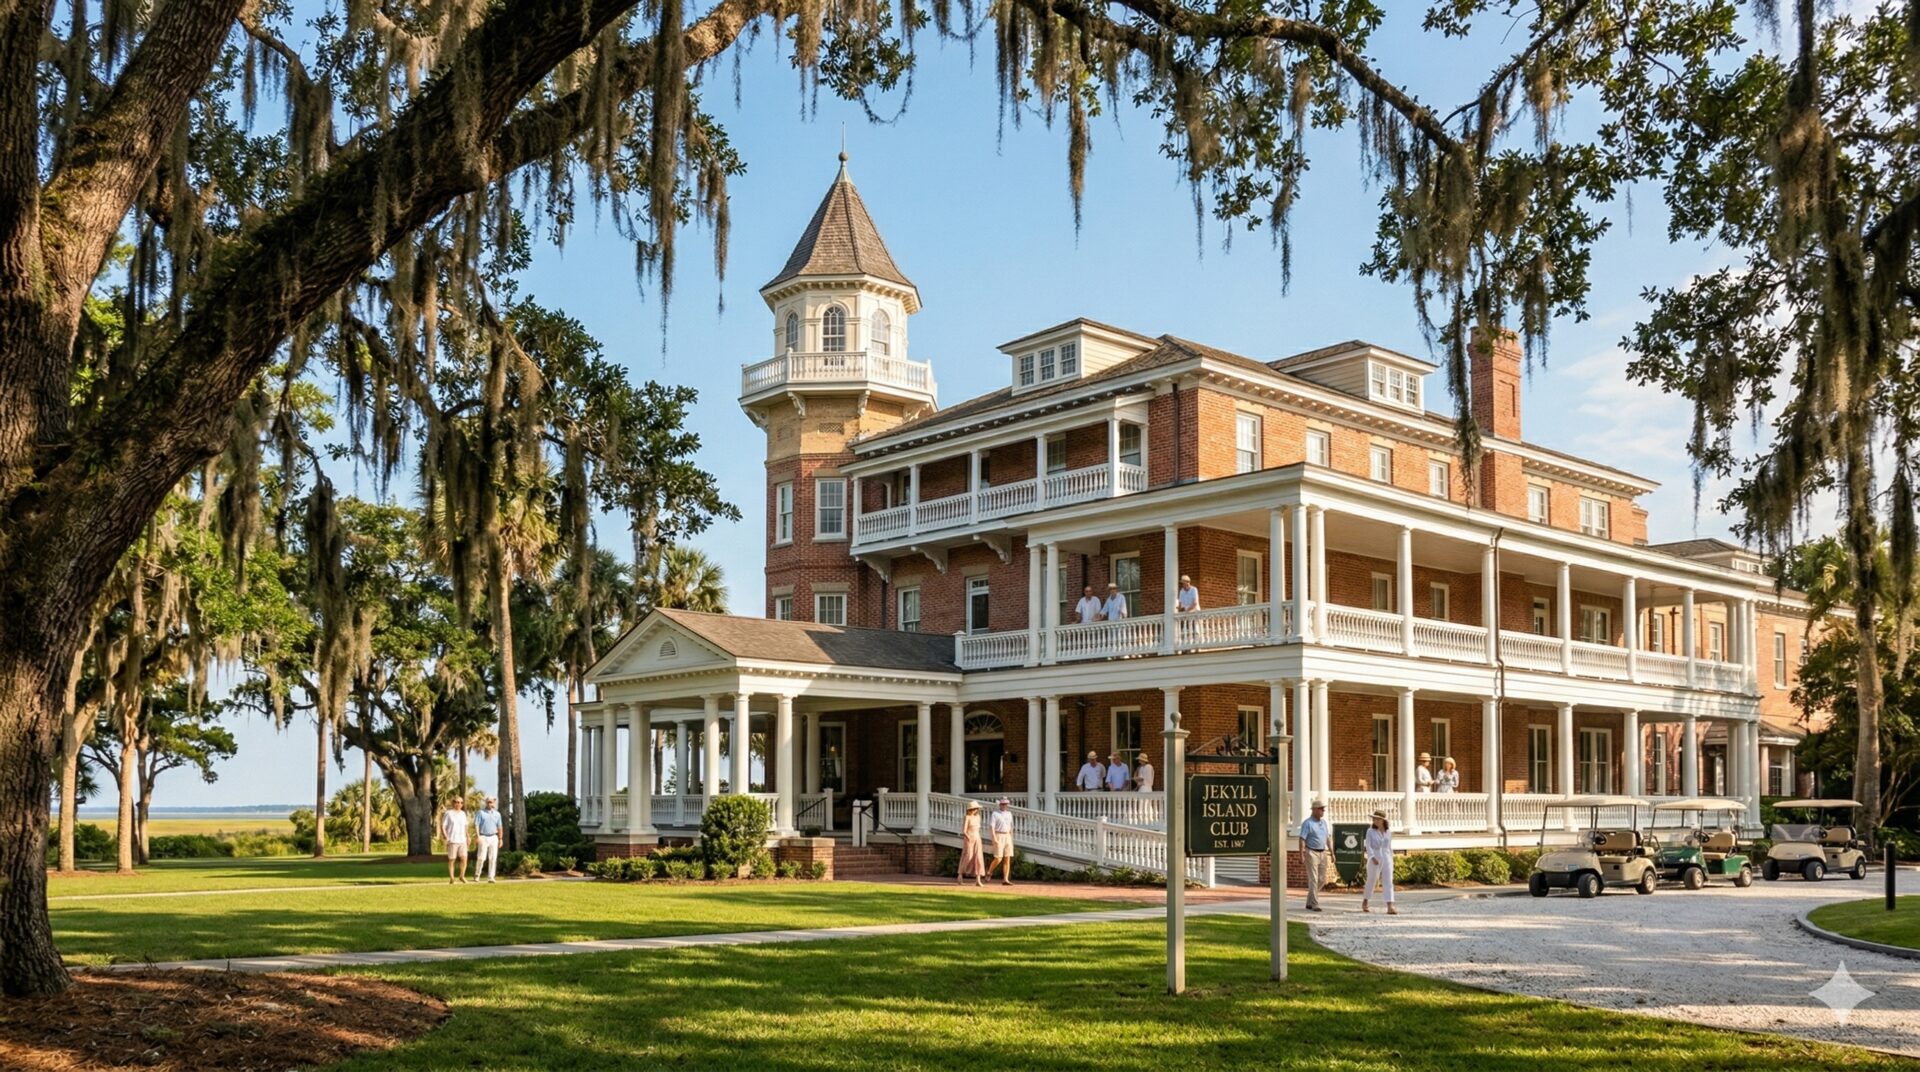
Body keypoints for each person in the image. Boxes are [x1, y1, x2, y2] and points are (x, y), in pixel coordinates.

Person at [1362, 809, 1398, 914]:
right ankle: (1365, 901)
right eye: (1374, 819)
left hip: (1386, 856)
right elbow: (1368, 845)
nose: (1375, 821)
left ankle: (1390, 906)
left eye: (1377, 819)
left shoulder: (1388, 832)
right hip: (1375, 856)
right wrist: (1372, 857)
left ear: (1383, 821)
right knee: (1372, 880)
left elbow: (1389, 847)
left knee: (1388, 880)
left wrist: (1391, 859)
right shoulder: (1370, 831)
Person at [1299, 800, 1331, 911]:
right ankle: (1315, 904)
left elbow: (1328, 838)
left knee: (1322, 879)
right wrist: (1302, 854)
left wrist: (1332, 852)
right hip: (1311, 852)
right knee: (1314, 879)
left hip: (1323, 852)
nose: (1323, 811)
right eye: (1321, 809)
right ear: (1315, 810)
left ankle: (1309, 901)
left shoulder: (1324, 823)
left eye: (1323, 809)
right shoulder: (1307, 823)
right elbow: (1302, 839)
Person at [474, 796, 504, 882]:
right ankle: (477, 874)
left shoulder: (497, 814)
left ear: (494, 802)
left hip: (494, 837)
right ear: (486, 802)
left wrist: (500, 838)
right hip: (483, 836)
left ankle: (491, 877)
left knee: (493, 858)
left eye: (491, 802)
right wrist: (478, 836)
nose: (490, 803)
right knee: (481, 857)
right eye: (488, 802)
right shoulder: (480, 813)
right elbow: (476, 825)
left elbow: (500, 826)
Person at [440, 796, 470, 884]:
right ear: (453, 803)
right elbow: (443, 826)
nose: (459, 804)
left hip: (462, 840)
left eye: (461, 802)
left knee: (464, 858)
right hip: (452, 839)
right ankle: (452, 878)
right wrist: (445, 836)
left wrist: (468, 836)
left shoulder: (463, 814)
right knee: (452, 859)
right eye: (457, 802)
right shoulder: (448, 813)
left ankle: (462, 876)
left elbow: (465, 826)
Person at [957, 800, 987, 886]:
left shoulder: (978, 817)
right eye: (974, 809)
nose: (976, 810)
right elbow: (964, 831)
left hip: (977, 838)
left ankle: (978, 880)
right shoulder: (967, 817)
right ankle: (960, 875)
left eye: (976, 809)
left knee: (978, 857)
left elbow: (978, 829)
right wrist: (968, 837)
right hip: (969, 838)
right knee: (968, 856)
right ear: (970, 809)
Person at [988, 798, 1016, 884]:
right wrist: (994, 838)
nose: (1004, 806)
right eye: (1003, 804)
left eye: (1006, 804)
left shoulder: (1009, 814)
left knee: (1007, 858)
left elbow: (1011, 827)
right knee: (998, 858)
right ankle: (989, 872)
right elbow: (992, 827)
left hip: (1007, 835)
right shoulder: (995, 814)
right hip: (999, 835)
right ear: (999, 805)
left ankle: (1005, 879)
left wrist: (1011, 838)